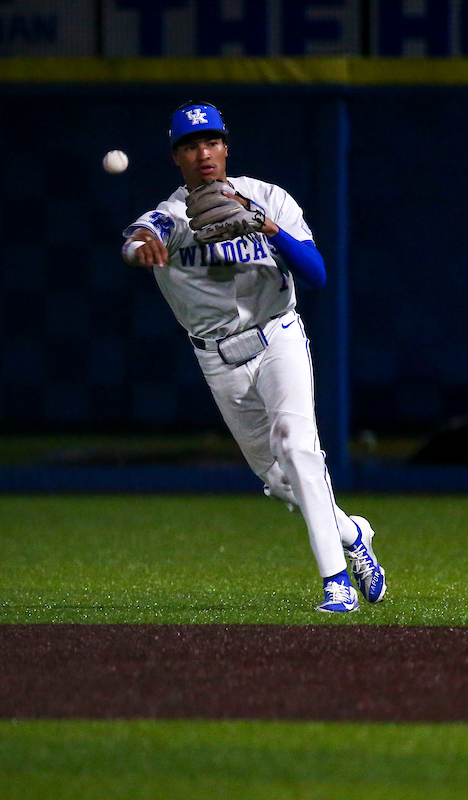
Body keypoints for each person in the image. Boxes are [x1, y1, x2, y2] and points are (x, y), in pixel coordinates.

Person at [120, 101, 386, 612]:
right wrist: (144, 245)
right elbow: (138, 239)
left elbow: (317, 274)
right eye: (191, 145)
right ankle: (352, 534)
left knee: (297, 443)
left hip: (278, 335)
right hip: (219, 359)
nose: (204, 153)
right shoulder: (171, 217)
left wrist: (266, 227)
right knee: (282, 481)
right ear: (177, 156)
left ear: (225, 146)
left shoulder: (268, 198)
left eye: (212, 142)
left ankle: (337, 584)